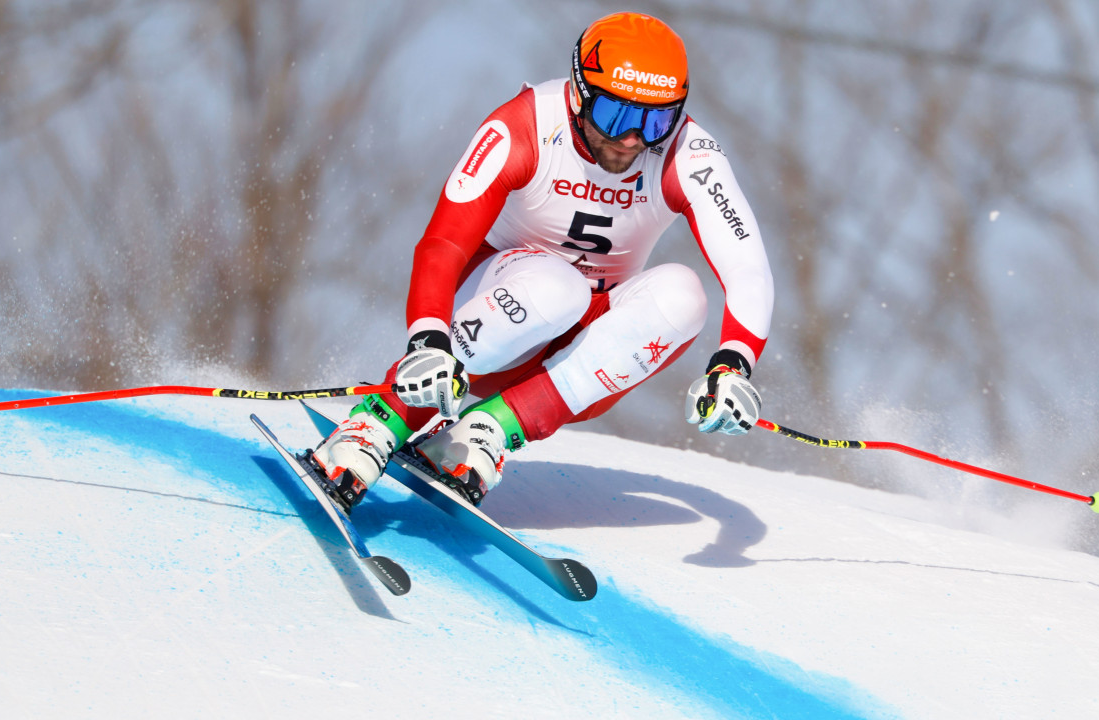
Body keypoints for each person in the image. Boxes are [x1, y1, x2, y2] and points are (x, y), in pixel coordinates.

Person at [312, 11, 774, 511]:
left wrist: (734, 364)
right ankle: (376, 423)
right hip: (483, 322)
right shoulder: (524, 124)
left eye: (657, 120)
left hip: (572, 353)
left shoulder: (689, 152)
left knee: (684, 297)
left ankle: (482, 433)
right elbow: (443, 242)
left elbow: (748, 267)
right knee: (559, 287)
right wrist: (427, 336)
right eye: (617, 116)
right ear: (578, 93)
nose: (633, 140)